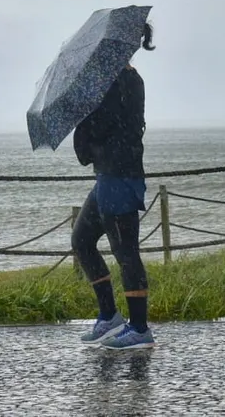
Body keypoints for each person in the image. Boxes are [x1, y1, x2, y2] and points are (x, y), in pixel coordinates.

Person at [71, 20, 156, 350]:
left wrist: (85, 111)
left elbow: (102, 127)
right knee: (82, 240)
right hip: (109, 175)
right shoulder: (117, 81)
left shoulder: (122, 82)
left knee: (126, 254)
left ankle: (139, 328)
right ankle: (109, 316)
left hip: (119, 176)